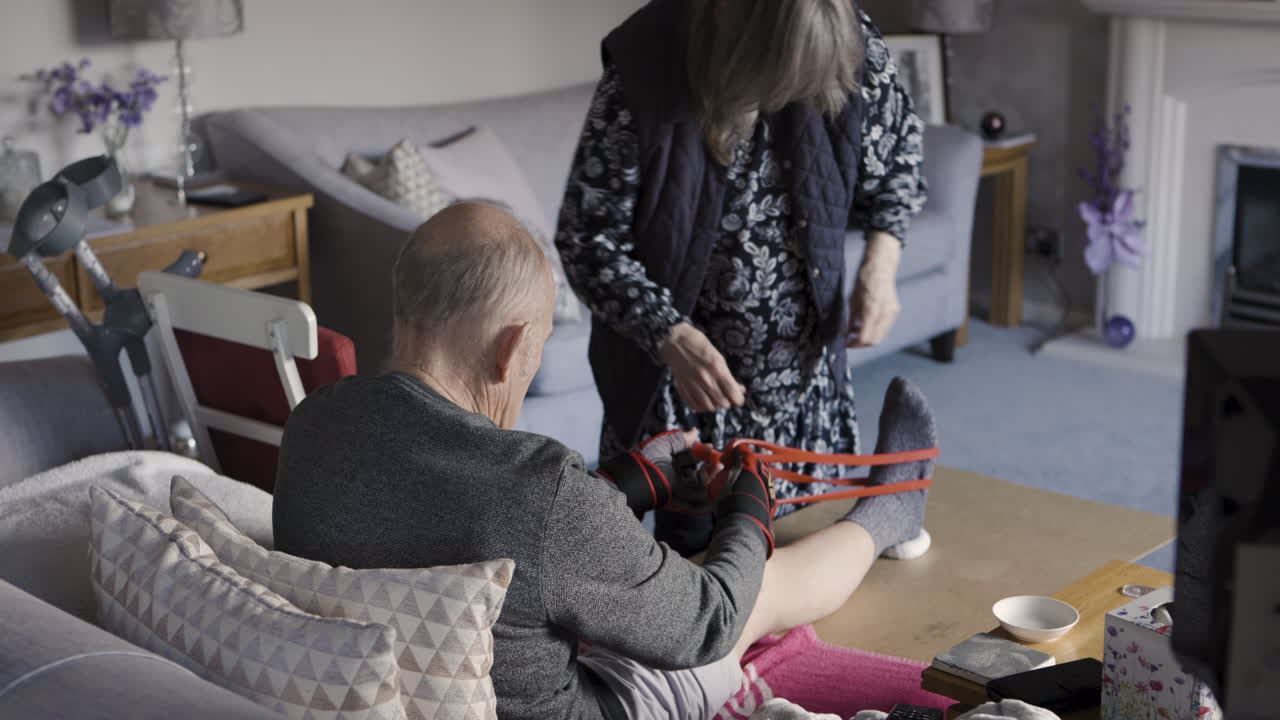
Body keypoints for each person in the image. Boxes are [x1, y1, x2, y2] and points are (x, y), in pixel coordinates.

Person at [273, 203, 937, 720]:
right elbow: (707, 623)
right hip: (589, 707)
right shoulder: (538, 493)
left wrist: (630, 481)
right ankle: (891, 511)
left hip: (394, 691)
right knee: (756, 590)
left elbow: (449, 517)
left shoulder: (312, 426)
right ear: (509, 350)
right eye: (534, 352)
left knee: (615, 580)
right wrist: (748, 507)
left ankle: (880, 515)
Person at [555, 0, 928, 554]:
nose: (786, 103)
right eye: (775, 85)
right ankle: (886, 515)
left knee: (792, 545)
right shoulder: (645, 70)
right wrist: (668, 334)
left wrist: (882, 261)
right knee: (687, 564)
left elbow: (898, 157)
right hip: (680, 387)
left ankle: (874, 524)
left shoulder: (848, 39)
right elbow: (588, 237)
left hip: (802, 382)